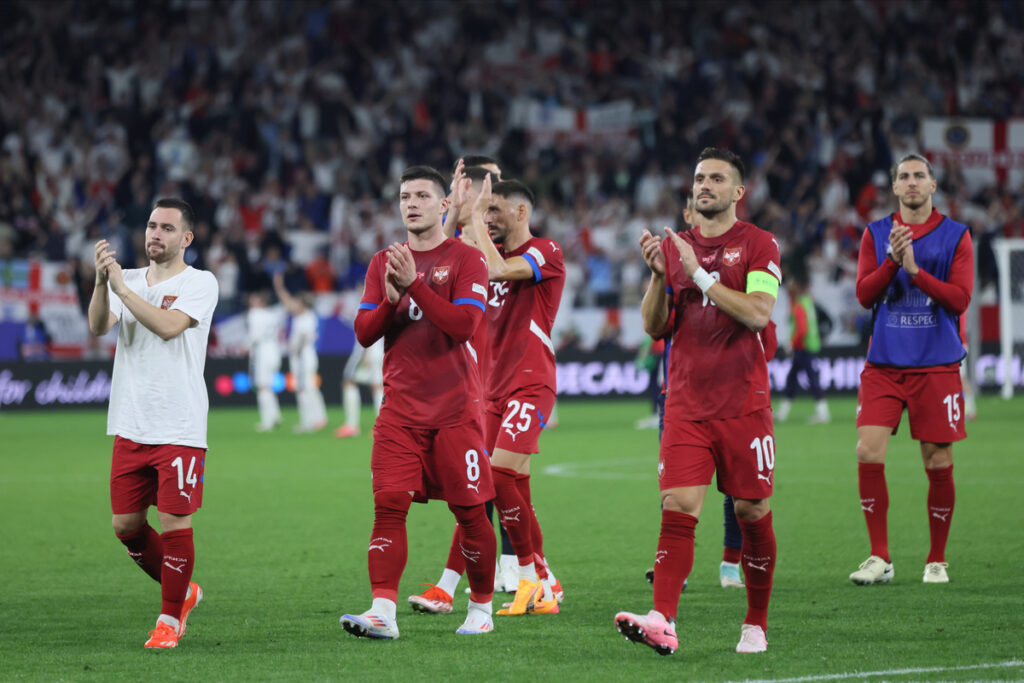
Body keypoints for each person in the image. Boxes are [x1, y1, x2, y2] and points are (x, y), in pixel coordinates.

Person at [616, 148, 781, 656]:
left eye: (716, 178)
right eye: (698, 178)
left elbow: (757, 314)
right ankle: (662, 620)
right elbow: (653, 325)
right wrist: (660, 276)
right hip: (686, 402)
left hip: (743, 403)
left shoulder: (759, 245)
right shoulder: (675, 247)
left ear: (738, 192)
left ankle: (755, 622)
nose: (703, 185)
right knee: (678, 504)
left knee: (753, 511)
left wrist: (701, 275)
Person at [339, 165, 497, 639]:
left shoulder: (467, 260)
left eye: (422, 196)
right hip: (399, 413)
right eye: (405, 196)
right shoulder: (383, 261)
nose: (411, 203)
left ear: (443, 204)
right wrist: (389, 299)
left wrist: (414, 287)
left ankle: (483, 610)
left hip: (455, 411)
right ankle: (382, 612)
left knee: (470, 513)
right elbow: (365, 334)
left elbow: (463, 326)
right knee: (388, 506)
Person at [410, 176, 566, 618]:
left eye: (496, 210)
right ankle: (539, 579)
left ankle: (533, 577)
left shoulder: (545, 251)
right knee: (488, 485)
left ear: (521, 212)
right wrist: (455, 211)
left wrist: (473, 215)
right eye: (486, 210)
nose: (489, 218)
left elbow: (498, 268)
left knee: (497, 474)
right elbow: (449, 257)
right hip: (488, 390)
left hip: (530, 382)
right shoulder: (477, 255)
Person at [88, 197, 218, 649]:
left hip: (179, 425)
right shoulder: (131, 280)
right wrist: (103, 284)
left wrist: (123, 289)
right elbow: (99, 325)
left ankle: (170, 618)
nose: (154, 234)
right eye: (150, 225)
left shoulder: (201, 283)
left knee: (175, 524)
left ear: (187, 238)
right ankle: (185, 591)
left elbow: (167, 327)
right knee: (125, 526)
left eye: (166, 228)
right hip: (130, 422)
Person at [849, 153, 973, 586]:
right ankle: (879, 557)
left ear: (933, 185)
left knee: (937, 459)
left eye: (920, 175)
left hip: (936, 365)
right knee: (867, 450)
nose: (912, 182)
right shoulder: (876, 233)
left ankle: (936, 558)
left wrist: (914, 271)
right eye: (904, 177)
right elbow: (864, 295)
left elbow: (960, 300)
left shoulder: (956, 236)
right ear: (895, 188)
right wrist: (890, 262)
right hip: (884, 363)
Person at [643, 192, 746, 591]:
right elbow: (655, 326)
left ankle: (731, 563)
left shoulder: (742, 256)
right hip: (679, 397)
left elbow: (759, 325)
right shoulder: (673, 263)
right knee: (673, 489)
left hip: (734, 397)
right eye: (687, 212)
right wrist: (657, 276)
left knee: (739, 492)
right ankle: (672, 567)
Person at [272, 273, 327, 433]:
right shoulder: (302, 315)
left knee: (304, 388)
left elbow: (304, 337)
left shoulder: (308, 317)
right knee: (309, 388)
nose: (293, 305)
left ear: (302, 304)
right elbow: (287, 302)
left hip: (304, 355)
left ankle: (309, 421)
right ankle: (319, 418)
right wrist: (279, 287)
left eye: (297, 302)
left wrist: (295, 349)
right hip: (302, 355)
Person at [776, 275, 830, 424]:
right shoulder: (808, 303)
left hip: (803, 347)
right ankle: (783, 413)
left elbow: (801, 329)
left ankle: (823, 413)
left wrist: (791, 344)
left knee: (808, 380)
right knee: (795, 378)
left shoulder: (800, 305)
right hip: (809, 346)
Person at [246, 289, 284, 432]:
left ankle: (267, 421)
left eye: (254, 300)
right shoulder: (272, 314)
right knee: (268, 386)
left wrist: (245, 345)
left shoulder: (255, 314)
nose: (251, 303)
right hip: (274, 350)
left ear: (260, 302)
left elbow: (254, 335)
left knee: (262, 387)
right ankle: (275, 415)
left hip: (262, 351)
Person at [334, 335, 384, 438]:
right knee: (377, 387)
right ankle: (383, 428)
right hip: (380, 346)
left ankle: (351, 426)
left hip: (368, 346)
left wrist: (366, 351)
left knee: (348, 382)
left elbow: (369, 325)